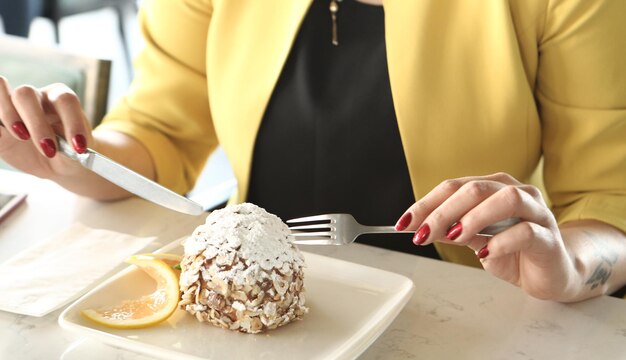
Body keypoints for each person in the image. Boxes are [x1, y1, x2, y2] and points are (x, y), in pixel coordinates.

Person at [0, 0, 624, 302]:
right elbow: (159, 132)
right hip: (244, 303)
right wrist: (69, 156)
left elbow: (611, 201)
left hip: (462, 317)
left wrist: (568, 267)